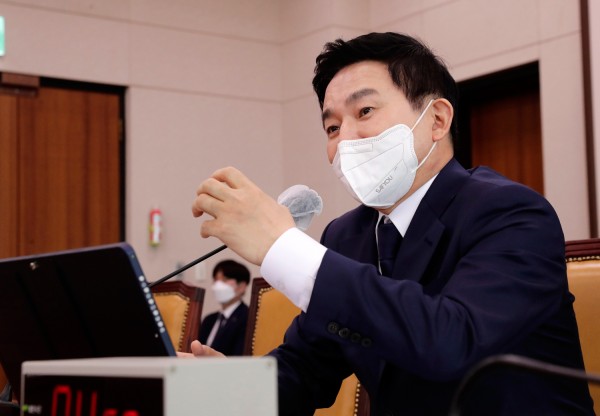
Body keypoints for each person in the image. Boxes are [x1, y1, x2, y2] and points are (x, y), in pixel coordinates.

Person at [187, 32, 594, 415]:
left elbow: (452, 343)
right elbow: (306, 368)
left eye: (365, 111)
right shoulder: (347, 235)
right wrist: (226, 387)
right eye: (332, 127)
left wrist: (283, 247)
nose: (345, 141)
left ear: (437, 120)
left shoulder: (512, 212)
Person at [197, 259, 250, 356]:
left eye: (225, 280)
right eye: (216, 280)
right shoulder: (209, 320)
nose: (218, 285)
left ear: (242, 286)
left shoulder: (248, 318)